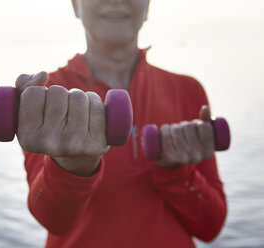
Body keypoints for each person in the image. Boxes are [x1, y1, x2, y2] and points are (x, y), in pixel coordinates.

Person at [14, 0, 227, 247]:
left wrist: (177, 172)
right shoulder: (48, 97)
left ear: (147, 6)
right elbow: (53, 219)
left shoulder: (188, 90)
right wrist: (73, 166)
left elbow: (210, 227)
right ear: (75, 5)